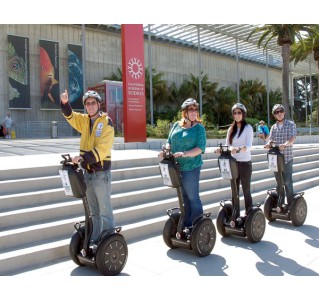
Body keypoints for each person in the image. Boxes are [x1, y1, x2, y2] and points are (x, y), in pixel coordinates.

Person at [60, 89, 115, 247]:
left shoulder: (106, 122)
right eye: (87, 103)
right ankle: (96, 240)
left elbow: (104, 149)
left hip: (101, 173)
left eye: (93, 103)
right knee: (94, 212)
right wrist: (65, 103)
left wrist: (83, 158)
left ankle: (109, 243)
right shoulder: (84, 121)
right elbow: (71, 116)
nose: (90, 106)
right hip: (87, 173)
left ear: (99, 104)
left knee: (104, 211)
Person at [158, 98, 206, 229]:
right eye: (191, 109)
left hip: (191, 167)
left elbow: (200, 148)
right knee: (184, 199)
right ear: (185, 112)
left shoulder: (199, 129)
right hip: (176, 166)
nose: (194, 112)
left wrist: (184, 153)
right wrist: (166, 149)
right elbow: (169, 140)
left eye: (196, 109)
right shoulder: (176, 125)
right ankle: (187, 224)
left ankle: (198, 227)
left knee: (193, 198)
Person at [215, 103, 254, 214]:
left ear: (243, 114)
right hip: (233, 163)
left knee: (246, 191)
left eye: (239, 112)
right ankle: (235, 214)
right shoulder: (230, 129)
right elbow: (227, 145)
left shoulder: (248, 128)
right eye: (235, 113)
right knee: (234, 191)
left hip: (245, 163)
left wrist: (239, 149)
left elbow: (249, 145)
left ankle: (249, 214)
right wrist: (221, 150)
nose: (237, 115)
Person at [264, 104, 297, 208]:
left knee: (287, 182)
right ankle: (280, 204)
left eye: (280, 111)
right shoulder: (273, 127)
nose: (279, 113)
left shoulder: (291, 124)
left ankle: (291, 205)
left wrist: (286, 144)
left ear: (284, 112)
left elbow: (293, 138)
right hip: (276, 159)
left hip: (287, 158)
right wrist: (268, 143)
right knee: (279, 184)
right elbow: (270, 138)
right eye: (276, 112)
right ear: (274, 115)